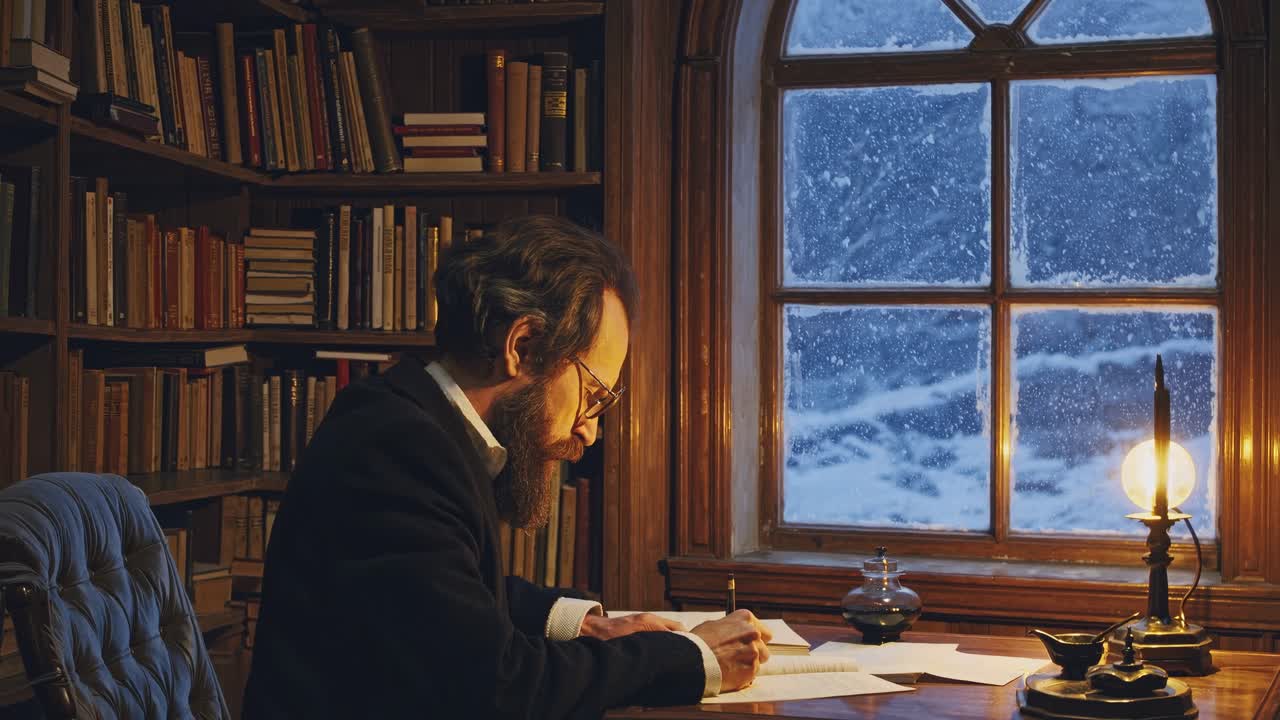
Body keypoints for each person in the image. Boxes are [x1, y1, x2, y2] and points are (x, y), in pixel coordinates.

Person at [242, 215, 769, 718]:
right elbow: (495, 688)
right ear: (521, 345)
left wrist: (583, 624)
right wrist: (695, 657)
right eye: (591, 394)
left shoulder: (410, 423)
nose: (590, 429)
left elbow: (442, 597)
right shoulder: (397, 449)